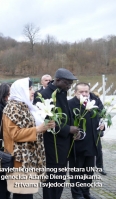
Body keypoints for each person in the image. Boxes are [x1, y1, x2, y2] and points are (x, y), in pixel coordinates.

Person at [3, 78, 55, 199]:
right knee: (22, 195)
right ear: (21, 90)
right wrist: (37, 129)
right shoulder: (13, 108)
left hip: (30, 159)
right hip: (20, 160)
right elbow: (15, 134)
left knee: (27, 194)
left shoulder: (26, 107)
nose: (33, 91)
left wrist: (46, 126)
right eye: (29, 88)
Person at [37, 68, 80, 199]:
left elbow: (65, 117)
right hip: (52, 146)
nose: (70, 86)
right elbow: (46, 121)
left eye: (71, 83)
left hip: (64, 145)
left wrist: (74, 131)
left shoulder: (61, 92)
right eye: (67, 82)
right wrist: (68, 129)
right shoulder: (45, 94)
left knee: (60, 180)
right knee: (52, 181)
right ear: (58, 80)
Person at [68, 83, 105, 199]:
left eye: (86, 92)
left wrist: (102, 125)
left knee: (89, 172)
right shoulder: (70, 104)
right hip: (77, 146)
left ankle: (86, 193)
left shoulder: (93, 103)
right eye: (81, 92)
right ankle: (77, 195)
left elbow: (100, 119)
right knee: (76, 172)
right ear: (75, 92)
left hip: (92, 144)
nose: (84, 94)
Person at [92, 92, 107, 175]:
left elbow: (102, 112)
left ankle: (100, 167)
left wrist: (101, 123)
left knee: (98, 149)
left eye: (86, 91)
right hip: (83, 130)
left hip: (95, 129)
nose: (84, 93)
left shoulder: (96, 99)